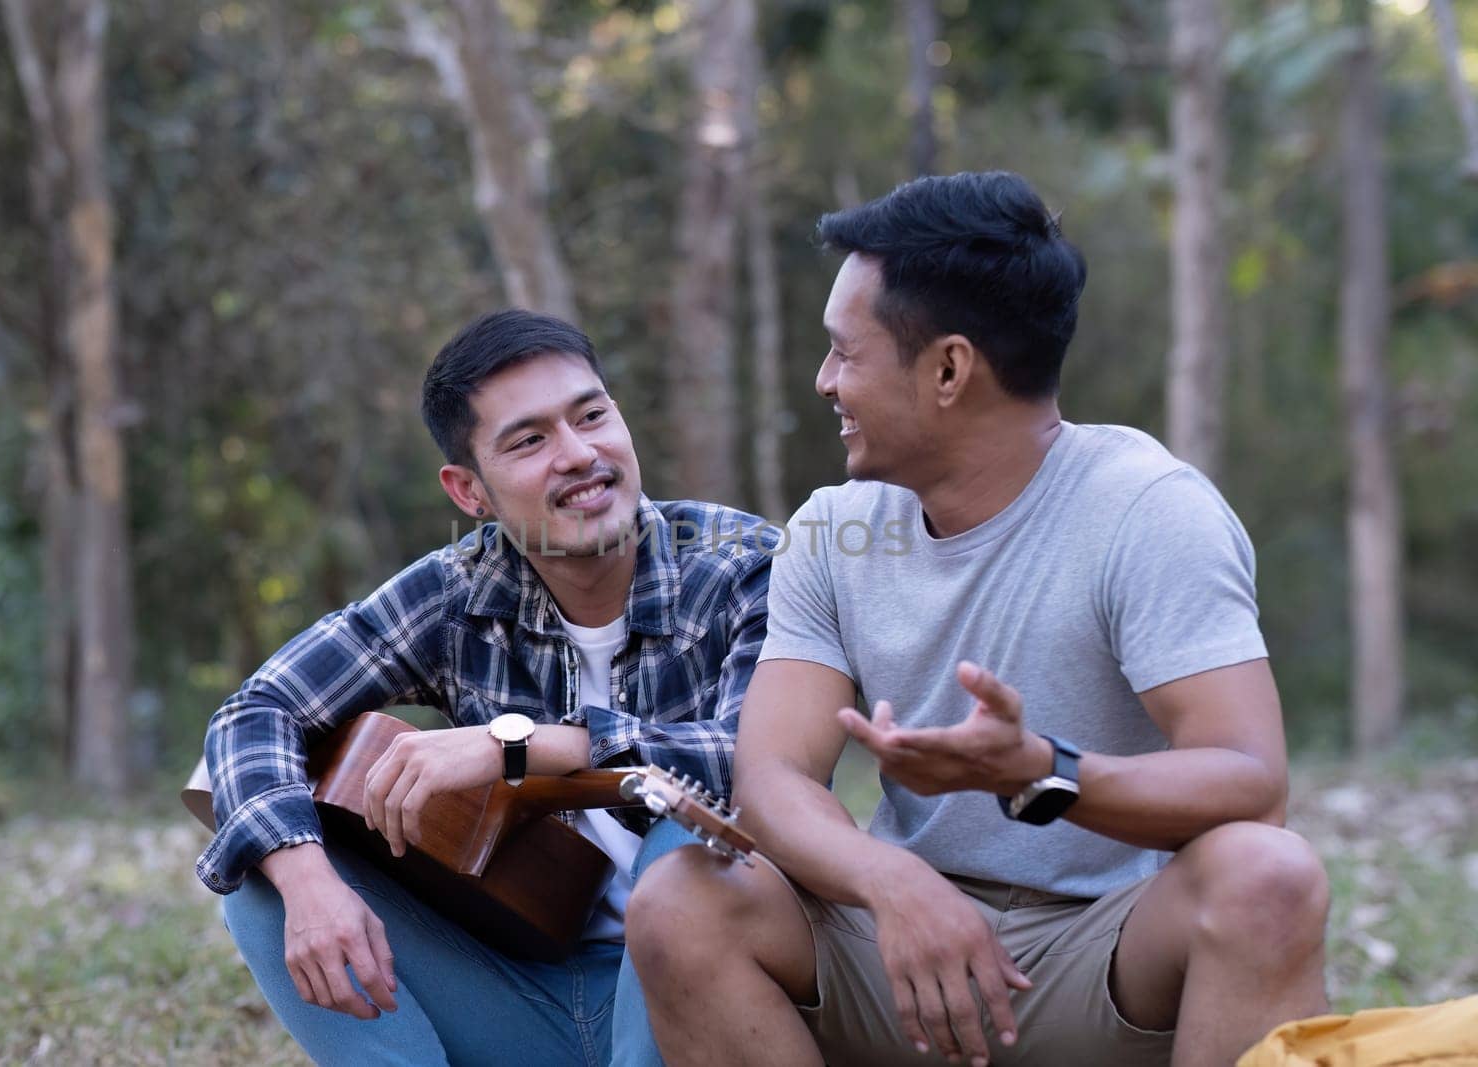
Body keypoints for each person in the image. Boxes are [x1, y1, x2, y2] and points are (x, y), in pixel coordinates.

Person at [625, 172, 1331, 1067]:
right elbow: (772, 778)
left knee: (1269, 876)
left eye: (847, 352)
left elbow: (1251, 783)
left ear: (950, 368)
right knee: (681, 899)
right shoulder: (835, 528)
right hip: (897, 953)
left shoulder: (1149, 511)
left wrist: (1045, 772)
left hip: (1100, 961)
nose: (824, 381)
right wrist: (894, 883)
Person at [196, 309, 775, 1066]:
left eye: (592, 415)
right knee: (266, 869)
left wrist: (525, 747)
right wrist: (306, 876)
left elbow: (758, 764)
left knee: (689, 833)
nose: (579, 454)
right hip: (525, 986)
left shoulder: (741, 565)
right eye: (530, 440)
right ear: (469, 491)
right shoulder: (457, 590)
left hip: (708, 998)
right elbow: (256, 709)